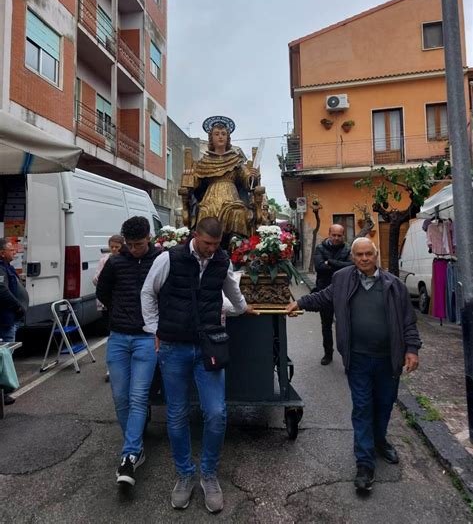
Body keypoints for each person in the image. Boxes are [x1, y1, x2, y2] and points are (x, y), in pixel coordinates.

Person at [287, 237, 421, 493]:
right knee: (362, 407)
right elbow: (324, 297)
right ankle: (364, 464)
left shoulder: (394, 286)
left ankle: (379, 441)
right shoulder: (343, 279)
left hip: (387, 359)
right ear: (353, 257)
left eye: (368, 254)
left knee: (383, 405)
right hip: (357, 358)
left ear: (376, 254)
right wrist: (300, 303)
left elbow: (408, 321)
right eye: (358, 255)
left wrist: (412, 349)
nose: (363, 259)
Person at [141, 217, 256, 513]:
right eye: (207, 243)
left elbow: (232, 290)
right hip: (173, 346)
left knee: (216, 413)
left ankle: (208, 474)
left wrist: (243, 309)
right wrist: (154, 330)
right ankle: (184, 475)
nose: (211, 249)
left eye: (216, 245)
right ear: (195, 236)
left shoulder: (221, 260)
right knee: (177, 414)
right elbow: (148, 293)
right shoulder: (169, 258)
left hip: (209, 345)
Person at [96, 217, 159, 487]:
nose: (134, 249)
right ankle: (136, 446)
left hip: (146, 338)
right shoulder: (115, 262)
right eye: (130, 245)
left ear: (149, 238)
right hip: (119, 336)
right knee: (120, 397)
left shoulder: (161, 259)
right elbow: (103, 292)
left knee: (138, 396)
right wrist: (119, 311)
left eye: (140, 244)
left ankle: (130, 455)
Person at [179, 116, 260, 243]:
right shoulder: (205, 161)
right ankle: (205, 243)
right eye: (217, 134)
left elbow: (246, 180)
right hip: (210, 198)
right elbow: (196, 182)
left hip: (232, 198)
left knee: (238, 212)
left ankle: (236, 244)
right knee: (205, 211)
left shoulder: (236, 160)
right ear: (211, 138)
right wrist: (189, 176)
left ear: (228, 138)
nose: (220, 136)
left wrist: (252, 177)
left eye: (223, 134)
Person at [313, 224, 353, 365]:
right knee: (326, 325)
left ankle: (347, 356)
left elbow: (351, 266)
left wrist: (330, 261)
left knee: (345, 325)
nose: (336, 238)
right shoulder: (320, 248)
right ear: (329, 234)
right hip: (324, 291)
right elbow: (319, 267)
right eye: (334, 235)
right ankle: (328, 354)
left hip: (344, 291)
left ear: (343, 235)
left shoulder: (348, 249)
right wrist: (339, 265)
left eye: (339, 235)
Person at [0, 238, 28, 405]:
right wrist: (17, 306)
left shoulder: (6, 267)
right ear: (2, 253)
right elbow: (2, 291)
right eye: (11, 250)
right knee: (4, 358)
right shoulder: (1, 269)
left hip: (10, 318)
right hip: (5, 319)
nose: (14, 252)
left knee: (6, 357)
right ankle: (3, 393)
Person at [93, 234, 125, 382]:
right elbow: (96, 279)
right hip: (107, 303)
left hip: (119, 302)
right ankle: (110, 368)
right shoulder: (104, 260)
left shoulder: (124, 260)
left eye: (117, 247)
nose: (114, 250)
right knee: (111, 335)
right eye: (112, 247)